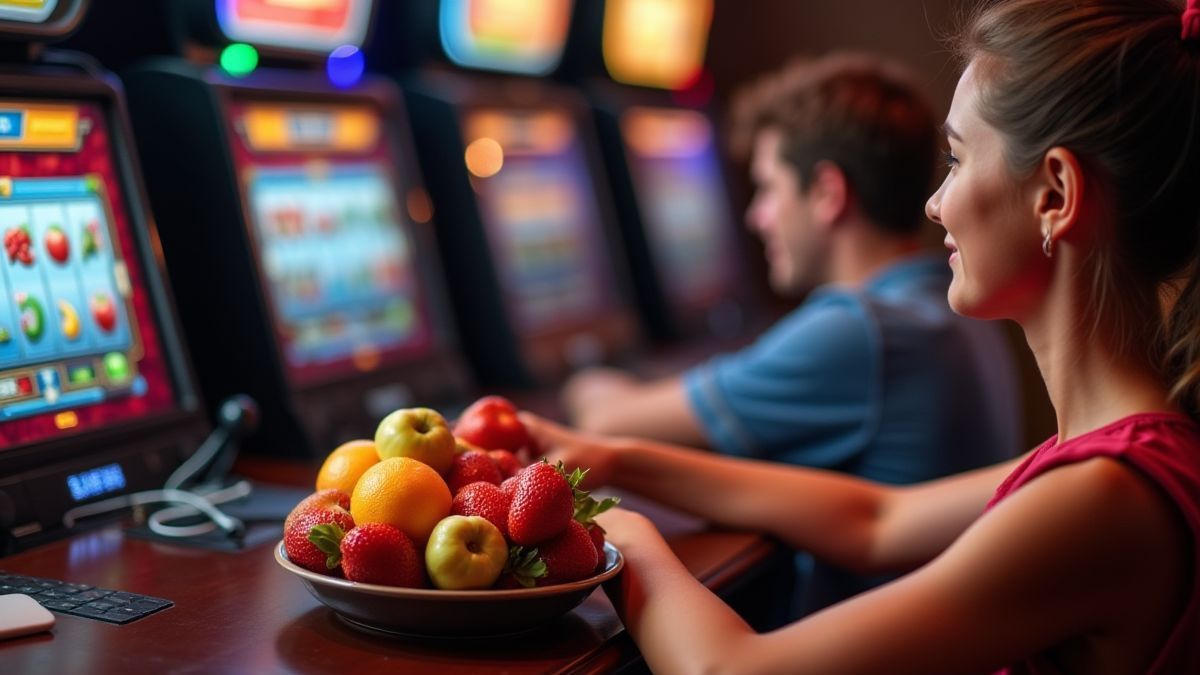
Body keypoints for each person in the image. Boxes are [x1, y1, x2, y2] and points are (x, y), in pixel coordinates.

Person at [521, 0, 1200, 671]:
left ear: (1054, 194)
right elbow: (876, 521)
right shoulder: (1112, 456)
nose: (936, 202)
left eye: (958, 160)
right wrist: (612, 458)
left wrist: (618, 532)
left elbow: (728, 670)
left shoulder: (1102, 499)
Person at [566, 52, 1025, 613]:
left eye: (768, 187)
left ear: (829, 193)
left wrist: (581, 375)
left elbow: (606, 423)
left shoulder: (859, 330)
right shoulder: (940, 303)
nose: (756, 216)